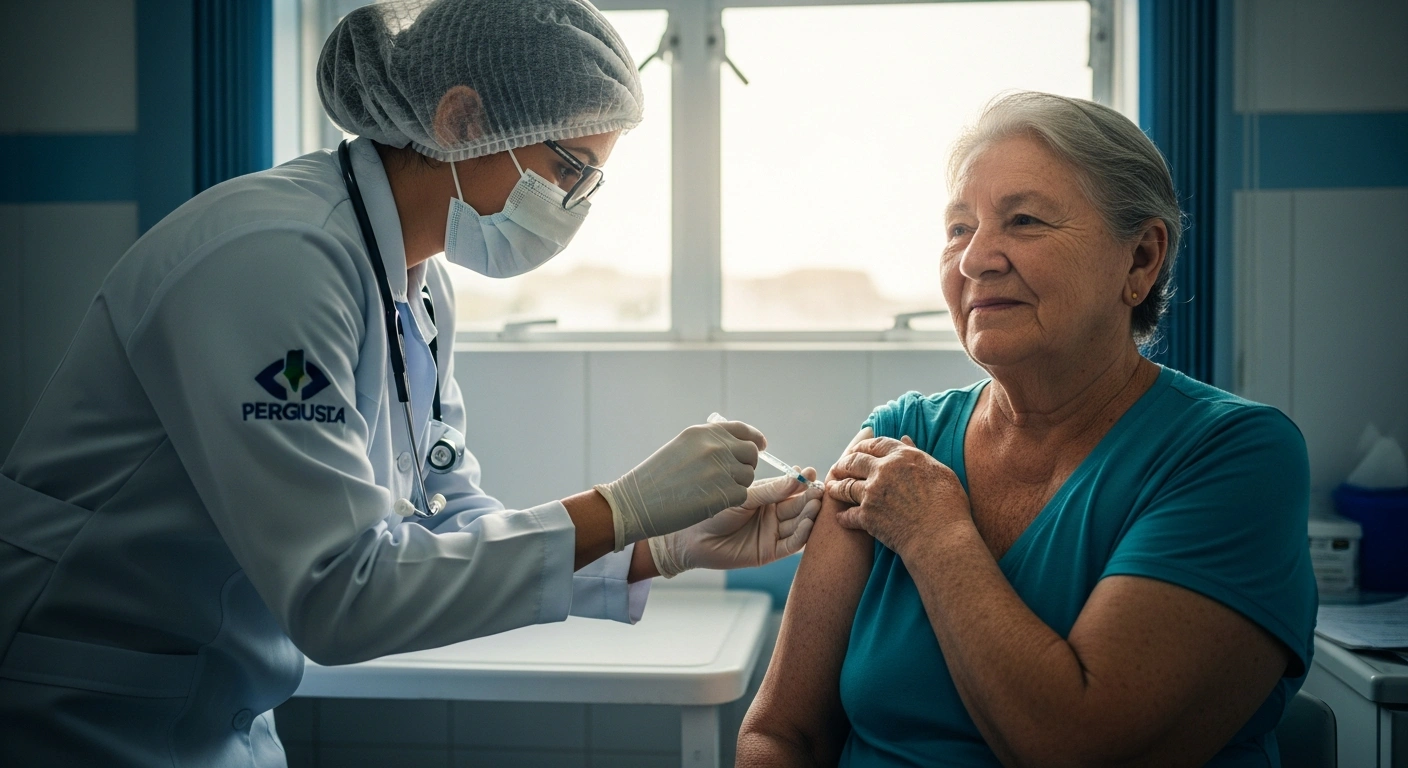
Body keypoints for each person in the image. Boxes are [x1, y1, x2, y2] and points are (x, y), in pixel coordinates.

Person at [0, 2, 820, 765]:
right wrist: (620, 508)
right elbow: (340, 594)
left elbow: (450, 521)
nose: (575, 205)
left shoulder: (416, 282)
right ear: (460, 119)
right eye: (569, 168)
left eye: (590, 183)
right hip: (75, 701)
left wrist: (652, 547)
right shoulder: (276, 259)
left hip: (212, 711)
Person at [738, 92, 1317, 767]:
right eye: (958, 228)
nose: (975, 258)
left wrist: (938, 535)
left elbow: (1079, 748)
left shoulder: (1234, 457)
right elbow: (782, 733)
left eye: (1024, 220)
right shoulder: (901, 437)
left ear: (1140, 260)